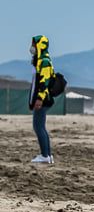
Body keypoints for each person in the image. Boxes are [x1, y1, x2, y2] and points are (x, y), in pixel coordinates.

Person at [29, 35, 55, 165]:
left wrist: (39, 98)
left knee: (38, 127)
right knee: (40, 127)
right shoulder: (40, 60)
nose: (31, 47)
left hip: (43, 99)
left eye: (34, 44)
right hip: (42, 98)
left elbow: (44, 82)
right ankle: (48, 155)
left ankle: (45, 155)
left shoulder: (44, 61)